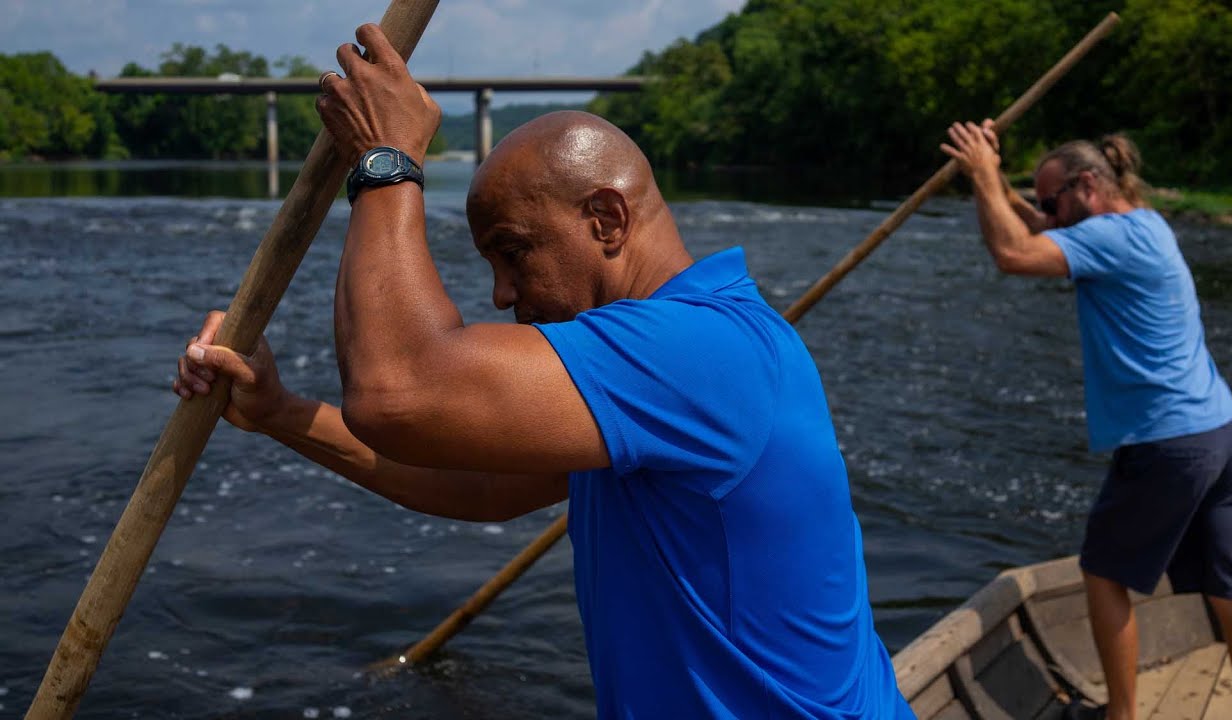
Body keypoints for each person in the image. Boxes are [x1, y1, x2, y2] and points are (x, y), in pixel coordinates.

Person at [174, 23, 912, 719]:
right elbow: (480, 484)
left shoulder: (696, 351)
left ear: (607, 220)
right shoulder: (671, 363)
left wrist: (387, 160)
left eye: (513, 251)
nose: (500, 294)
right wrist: (280, 412)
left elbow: (397, 389)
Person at [941, 120, 1232, 720]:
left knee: (1102, 573)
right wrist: (992, 181)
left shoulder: (1108, 238)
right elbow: (1040, 228)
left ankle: (1119, 717)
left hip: (1170, 442)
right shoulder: (1142, 226)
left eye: (1052, 199)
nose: (1045, 211)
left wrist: (986, 175)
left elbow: (1015, 253)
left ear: (1088, 185)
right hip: (1223, 433)